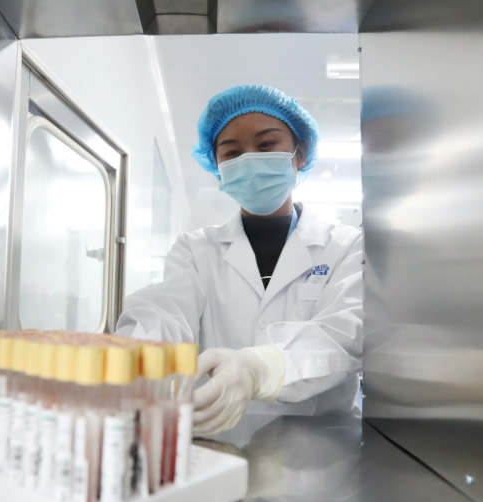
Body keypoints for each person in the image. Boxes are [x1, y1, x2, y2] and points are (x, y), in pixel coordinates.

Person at [116, 84, 362, 436]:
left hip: (323, 445)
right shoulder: (195, 249)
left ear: (300, 153)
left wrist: (259, 368)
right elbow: (165, 310)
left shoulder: (347, 246)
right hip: (218, 437)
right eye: (231, 153)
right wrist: (133, 356)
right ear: (217, 168)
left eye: (266, 145)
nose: (248, 160)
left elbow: (348, 332)